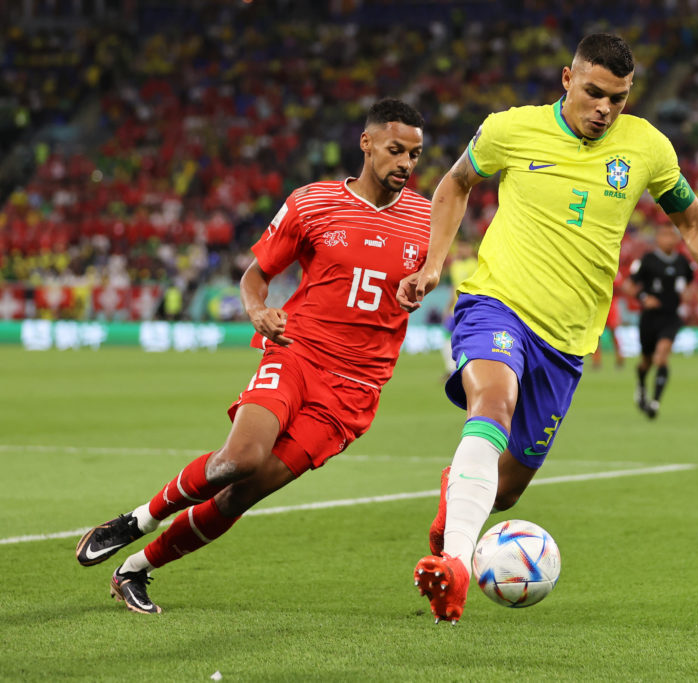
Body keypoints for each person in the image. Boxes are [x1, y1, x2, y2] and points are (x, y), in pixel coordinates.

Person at [397, 33, 698, 624]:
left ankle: (456, 495)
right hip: (496, 303)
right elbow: (455, 184)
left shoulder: (646, 146)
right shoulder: (510, 129)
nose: (604, 109)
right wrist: (434, 265)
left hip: (568, 341)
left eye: (617, 98)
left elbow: (692, 219)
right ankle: (455, 568)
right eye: (594, 92)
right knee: (493, 399)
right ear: (567, 79)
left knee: (508, 486)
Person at [74, 99, 431, 614]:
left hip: (355, 389)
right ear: (367, 143)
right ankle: (135, 522)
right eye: (396, 150)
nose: (405, 164)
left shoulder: (425, 217)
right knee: (237, 460)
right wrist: (257, 308)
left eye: (415, 155)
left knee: (243, 493)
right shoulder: (312, 203)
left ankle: (135, 569)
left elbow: (441, 249)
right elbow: (255, 275)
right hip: (298, 353)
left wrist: (426, 281)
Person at [626, 223, 694, 419]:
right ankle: (641, 387)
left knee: (661, 357)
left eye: (671, 235)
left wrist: (688, 296)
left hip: (670, 317)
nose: (668, 239)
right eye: (664, 235)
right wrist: (643, 298)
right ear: (657, 238)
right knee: (646, 362)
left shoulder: (682, 262)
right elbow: (629, 285)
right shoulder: (647, 260)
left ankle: (654, 403)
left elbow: (691, 284)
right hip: (649, 319)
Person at [441, 238, 478, 375]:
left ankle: (465, 369)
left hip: (469, 309)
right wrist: (447, 307)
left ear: (470, 249)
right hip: (454, 309)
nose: (463, 250)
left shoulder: (475, 265)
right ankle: (450, 369)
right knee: (447, 336)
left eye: (465, 247)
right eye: (461, 247)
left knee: (467, 339)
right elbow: (454, 288)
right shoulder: (455, 265)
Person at [591, 266, 626, 370]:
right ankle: (596, 360)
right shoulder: (596, 267)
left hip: (611, 305)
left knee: (613, 332)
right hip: (598, 305)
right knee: (596, 334)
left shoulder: (613, 268)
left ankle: (620, 358)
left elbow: (620, 286)